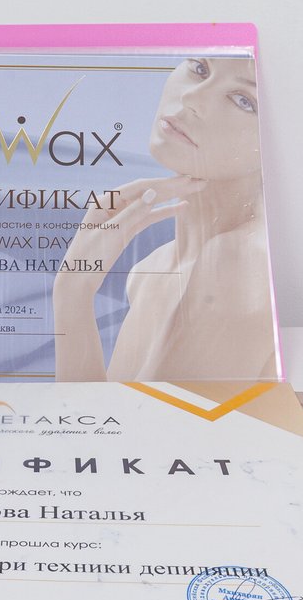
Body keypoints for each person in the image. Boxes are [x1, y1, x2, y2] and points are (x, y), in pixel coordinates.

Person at [52, 57, 278, 382]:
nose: (192, 97)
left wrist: (72, 294)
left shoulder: (242, 265)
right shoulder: (148, 271)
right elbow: (101, 410)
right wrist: (72, 288)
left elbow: (118, 418)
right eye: (200, 69)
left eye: (243, 100)